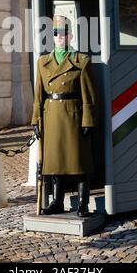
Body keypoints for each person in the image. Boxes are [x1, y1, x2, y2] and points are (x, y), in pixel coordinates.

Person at [31, 15, 97, 217]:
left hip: (73, 115)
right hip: (51, 115)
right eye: (56, 33)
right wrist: (36, 120)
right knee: (55, 162)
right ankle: (57, 202)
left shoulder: (81, 61)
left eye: (64, 33)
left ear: (70, 36)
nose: (60, 37)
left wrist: (88, 119)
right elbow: (38, 95)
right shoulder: (43, 62)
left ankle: (83, 204)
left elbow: (89, 94)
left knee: (79, 162)